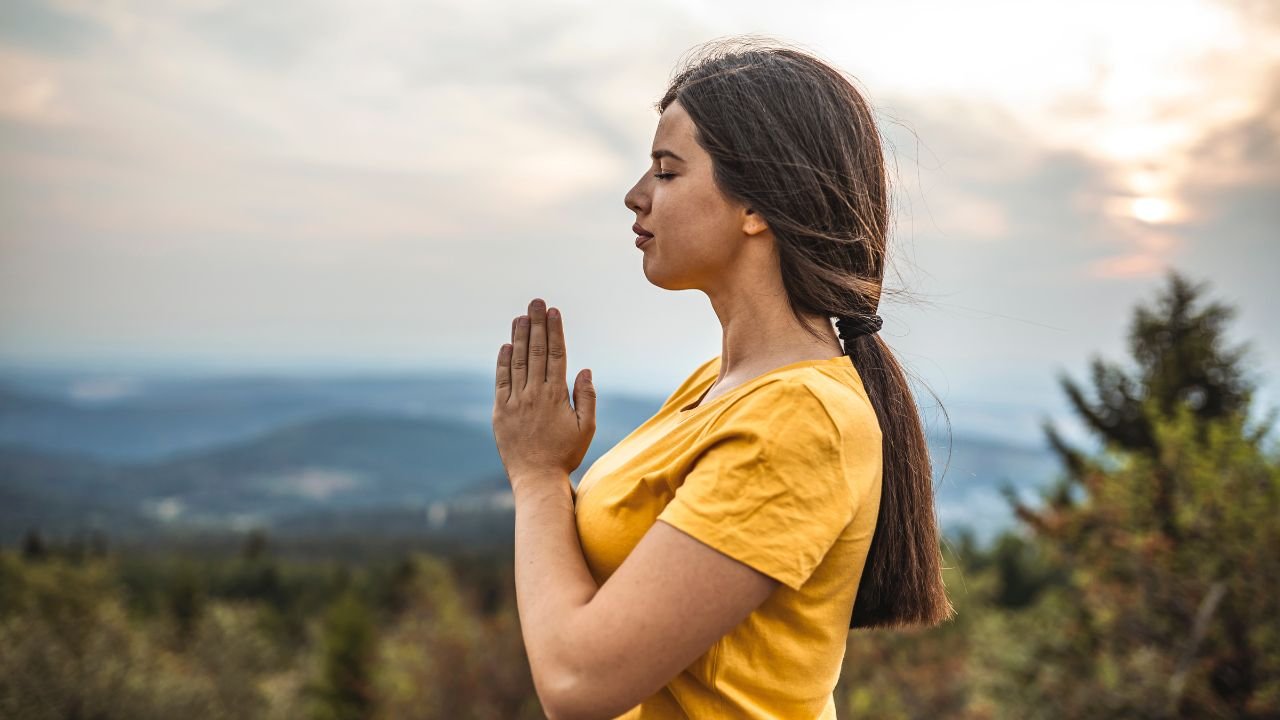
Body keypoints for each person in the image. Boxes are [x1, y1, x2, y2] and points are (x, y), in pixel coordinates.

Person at [491, 35, 953, 720]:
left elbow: (577, 683)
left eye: (667, 172)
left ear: (758, 205)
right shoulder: (722, 384)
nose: (635, 196)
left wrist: (536, 477)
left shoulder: (800, 420)